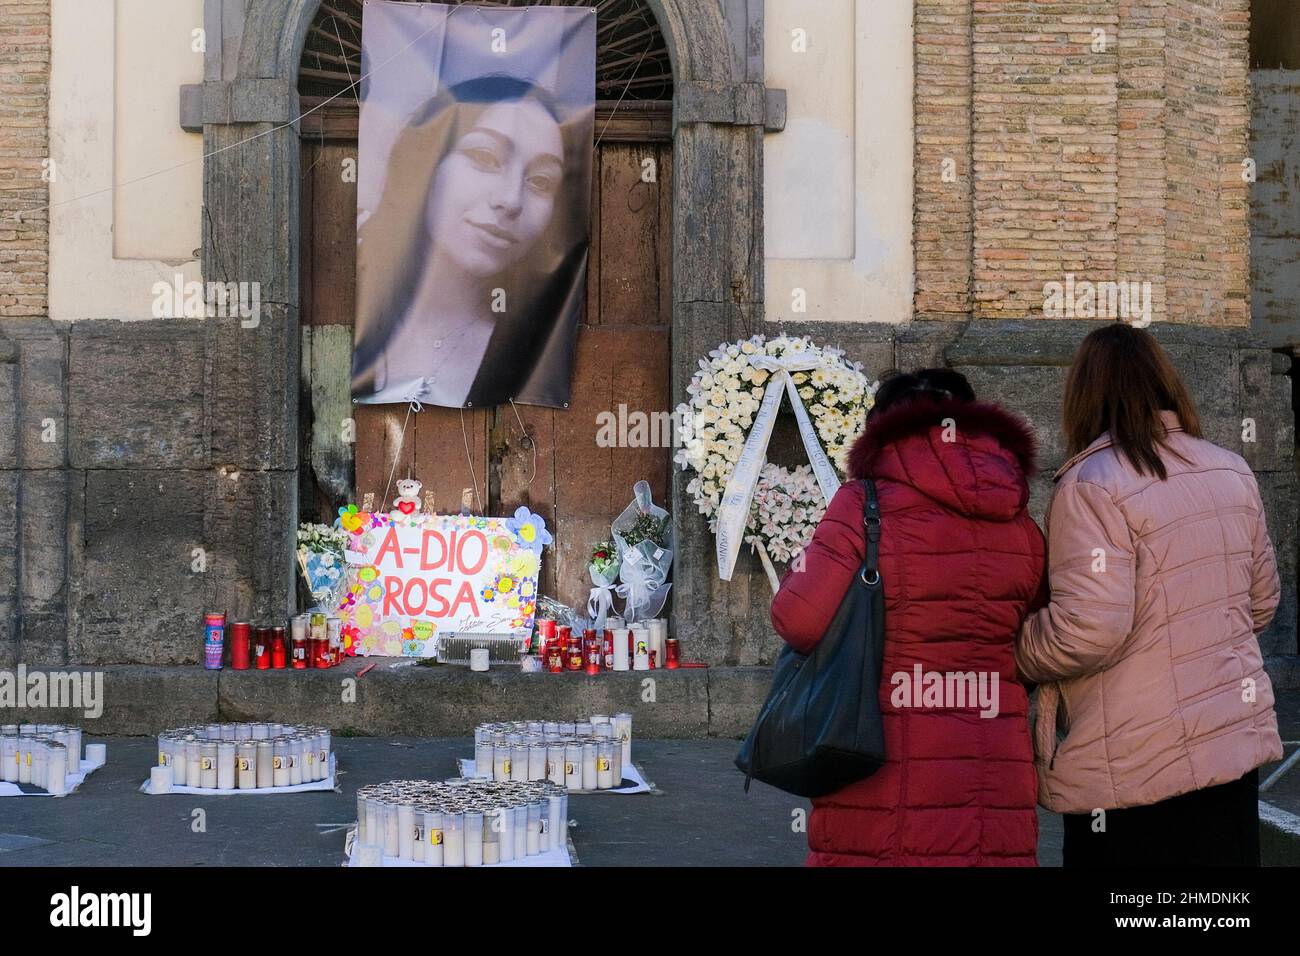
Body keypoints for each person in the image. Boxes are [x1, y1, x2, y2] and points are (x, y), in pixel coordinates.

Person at [1016, 323, 1283, 866]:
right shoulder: (1231, 469)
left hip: (1135, 760)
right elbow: (1261, 602)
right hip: (1230, 743)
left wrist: (1020, 650)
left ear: (1084, 394)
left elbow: (1089, 629)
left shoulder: (1093, 483)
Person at [770, 369, 1046, 865]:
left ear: (881, 430)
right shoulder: (1019, 519)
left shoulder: (862, 504)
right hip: (993, 757)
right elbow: (1036, 630)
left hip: (880, 755)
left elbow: (799, 620)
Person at [352, 75, 590, 408]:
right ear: (426, 164)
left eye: (540, 181)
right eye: (485, 157)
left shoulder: (532, 353)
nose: (511, 199)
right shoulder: (350, 291)